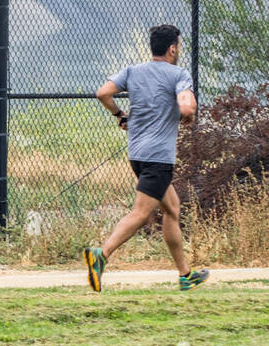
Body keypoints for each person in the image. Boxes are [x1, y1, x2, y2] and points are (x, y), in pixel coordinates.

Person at [84, 24, 209, 293]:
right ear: (173, 48)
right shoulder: (179, 74)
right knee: (141, 213)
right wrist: (187, 115)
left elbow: (103, 93)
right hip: (159, 158)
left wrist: (119, 115)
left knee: (172, 209)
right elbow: (187, 105)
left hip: (137, 155)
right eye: (178, 47)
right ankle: (100, 255)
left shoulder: (132, 71)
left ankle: (185, 275)